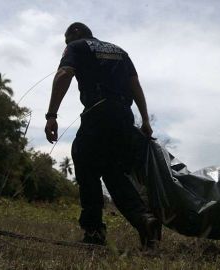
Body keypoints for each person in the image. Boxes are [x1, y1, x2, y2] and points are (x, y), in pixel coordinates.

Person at [44, 22, 159, 248]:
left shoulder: (76, 46)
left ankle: (94, 232)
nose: (66, 45)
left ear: (76, 33)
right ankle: (144, 219)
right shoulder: (120, 51)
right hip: (124, 117)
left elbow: (64, 73)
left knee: (85, 163)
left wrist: (51, 115)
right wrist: (144, 119)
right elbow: (135, 86)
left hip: (98, 112)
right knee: (114, 172)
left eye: (66, 41)